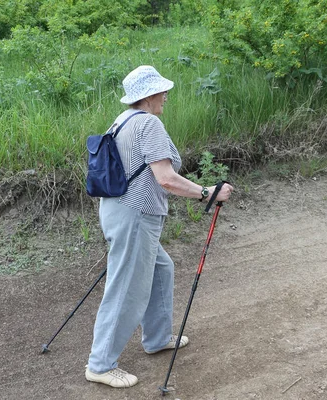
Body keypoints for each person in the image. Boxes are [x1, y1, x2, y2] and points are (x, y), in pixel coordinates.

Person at [85, 65, 234, 388]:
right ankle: (100, 364)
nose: (166, 95)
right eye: (162, 91)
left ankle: (157, 337)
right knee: (127, 289)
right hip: (134, 215)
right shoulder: (148, 123)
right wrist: (207, 193)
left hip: (118, 210)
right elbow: (165, 178)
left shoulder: (122, 120)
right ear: (149, 95)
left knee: (161, 269)